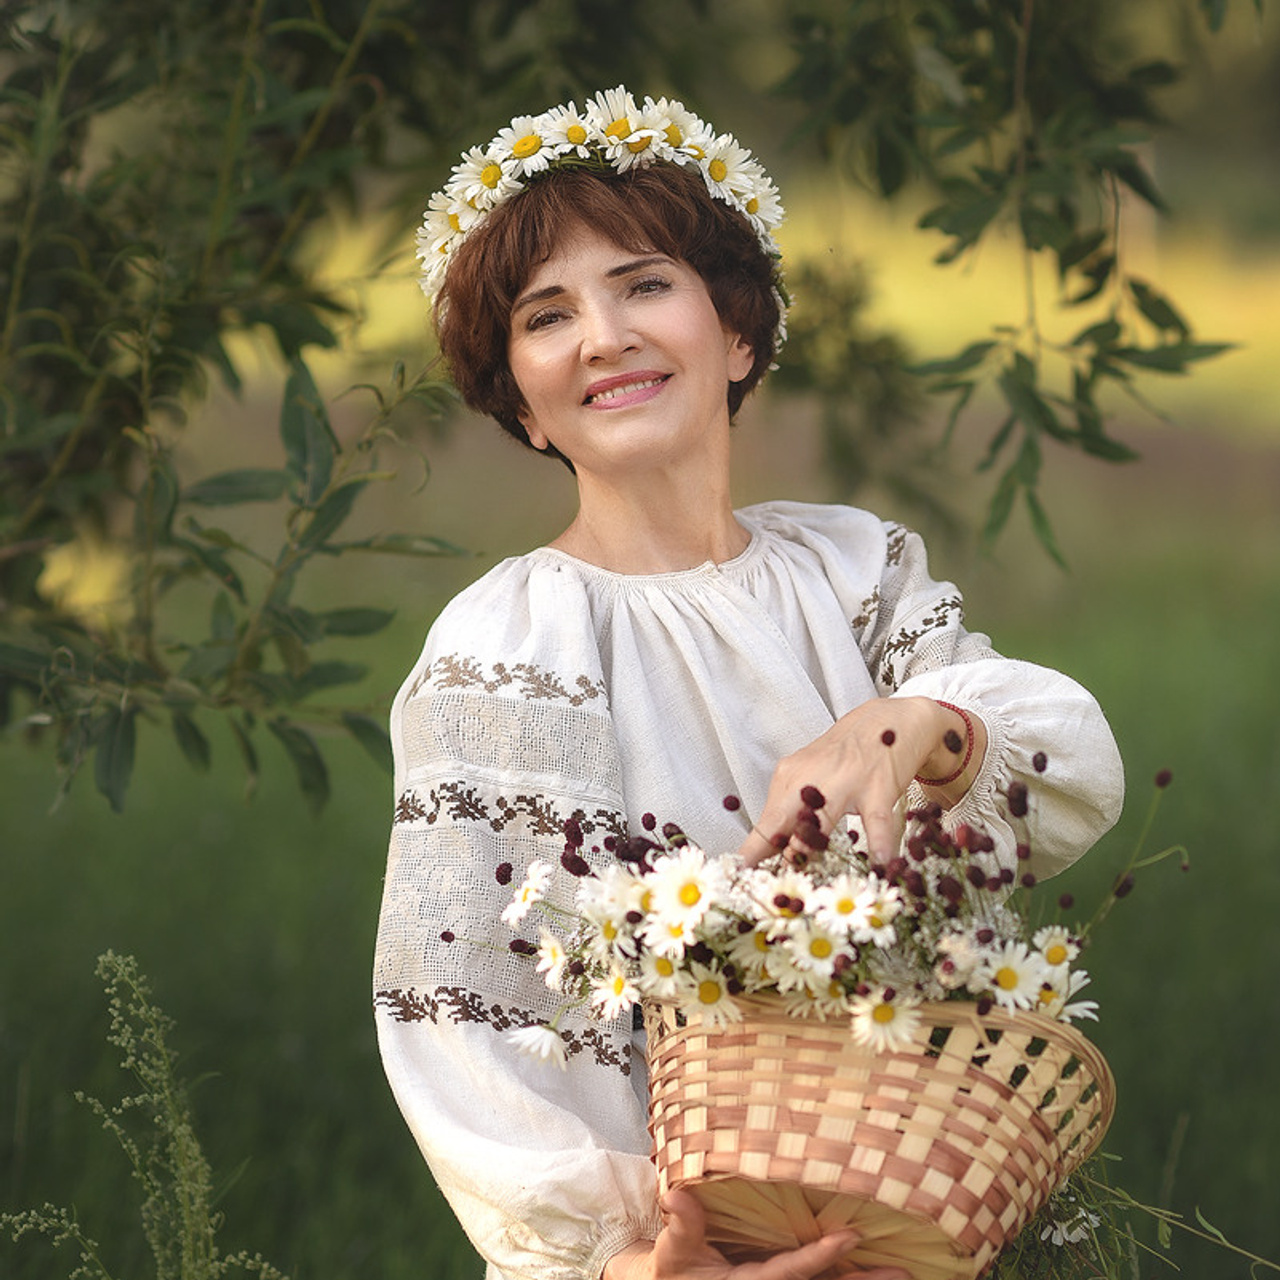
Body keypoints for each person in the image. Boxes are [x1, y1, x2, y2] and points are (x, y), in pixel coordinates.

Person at [374, 87, 1124, 1280]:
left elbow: (1063, 768)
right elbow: (468, 1013)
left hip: (919, 1199)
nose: (603, 335)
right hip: (691, 1248)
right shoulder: (508, 640)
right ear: (520, 400)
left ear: (735, 332)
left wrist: (903, 726)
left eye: (644, 284)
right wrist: (627, 1260)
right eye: (545, 313)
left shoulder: (848, 566)